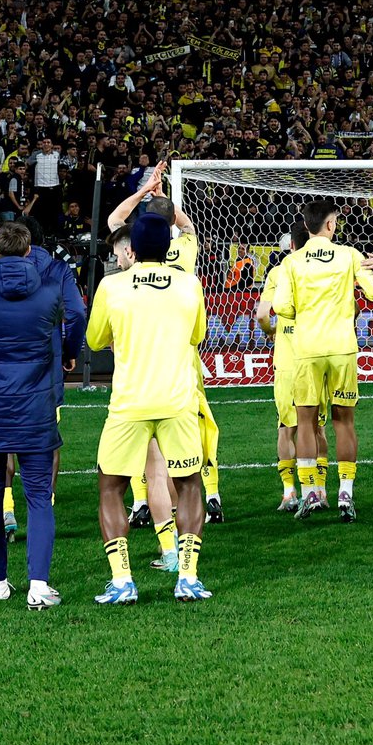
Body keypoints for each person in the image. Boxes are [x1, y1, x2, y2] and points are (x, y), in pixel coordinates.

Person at [0, 220, 86, 609]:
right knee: (40, 498)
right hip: (35, 407)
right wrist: (68, 349)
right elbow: (75, 316)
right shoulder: (48, 293)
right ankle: (39, 586)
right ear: (30, 251)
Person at [86, 212, 214, 603]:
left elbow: (94, 341)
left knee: (112, 487)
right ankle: (188, 576)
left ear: (133, 249)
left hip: (130, 402)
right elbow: (198, 335)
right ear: (169, 248)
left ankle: (123, 580)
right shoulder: (190, 284)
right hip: (177, 400)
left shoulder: (112, 286)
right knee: (190, 483)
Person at [105, 161, 223, 538]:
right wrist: (164, 198)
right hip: (182, 365)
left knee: (151, 457)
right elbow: (188, 226)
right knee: (196, 439)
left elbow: (112, 219)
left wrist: (144, 192)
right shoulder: (185, 251)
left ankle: (151, 512)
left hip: (139, 361)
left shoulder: (130, 253)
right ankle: (210, 496)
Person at [273, 198, 373, 522]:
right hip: (342, 349)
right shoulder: (349, 255)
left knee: (306, 421)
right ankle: (345, 496)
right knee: (344, 422)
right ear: (330, 225)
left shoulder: (292, 263)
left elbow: (281, 306)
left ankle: (310, 492)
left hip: (306, 349)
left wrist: (305, 312)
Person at [254, 220, 327, 512]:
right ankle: (320, 491)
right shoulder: (322, 269)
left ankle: (289, 493)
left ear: (291, 246)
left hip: (286, 360)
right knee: (317, 428)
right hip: (315, 356)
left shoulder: (279, 271)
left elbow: (261, 315)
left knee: (287, 428)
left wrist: (271, 330)